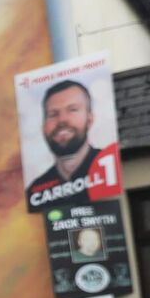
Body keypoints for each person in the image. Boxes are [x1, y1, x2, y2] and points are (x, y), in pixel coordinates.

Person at [27, 80, 104, 212]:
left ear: (90, 119)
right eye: (53, 114)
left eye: (72, 110)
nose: (62, 120)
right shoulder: (36, 190)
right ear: (43, 127)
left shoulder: (107, 166)